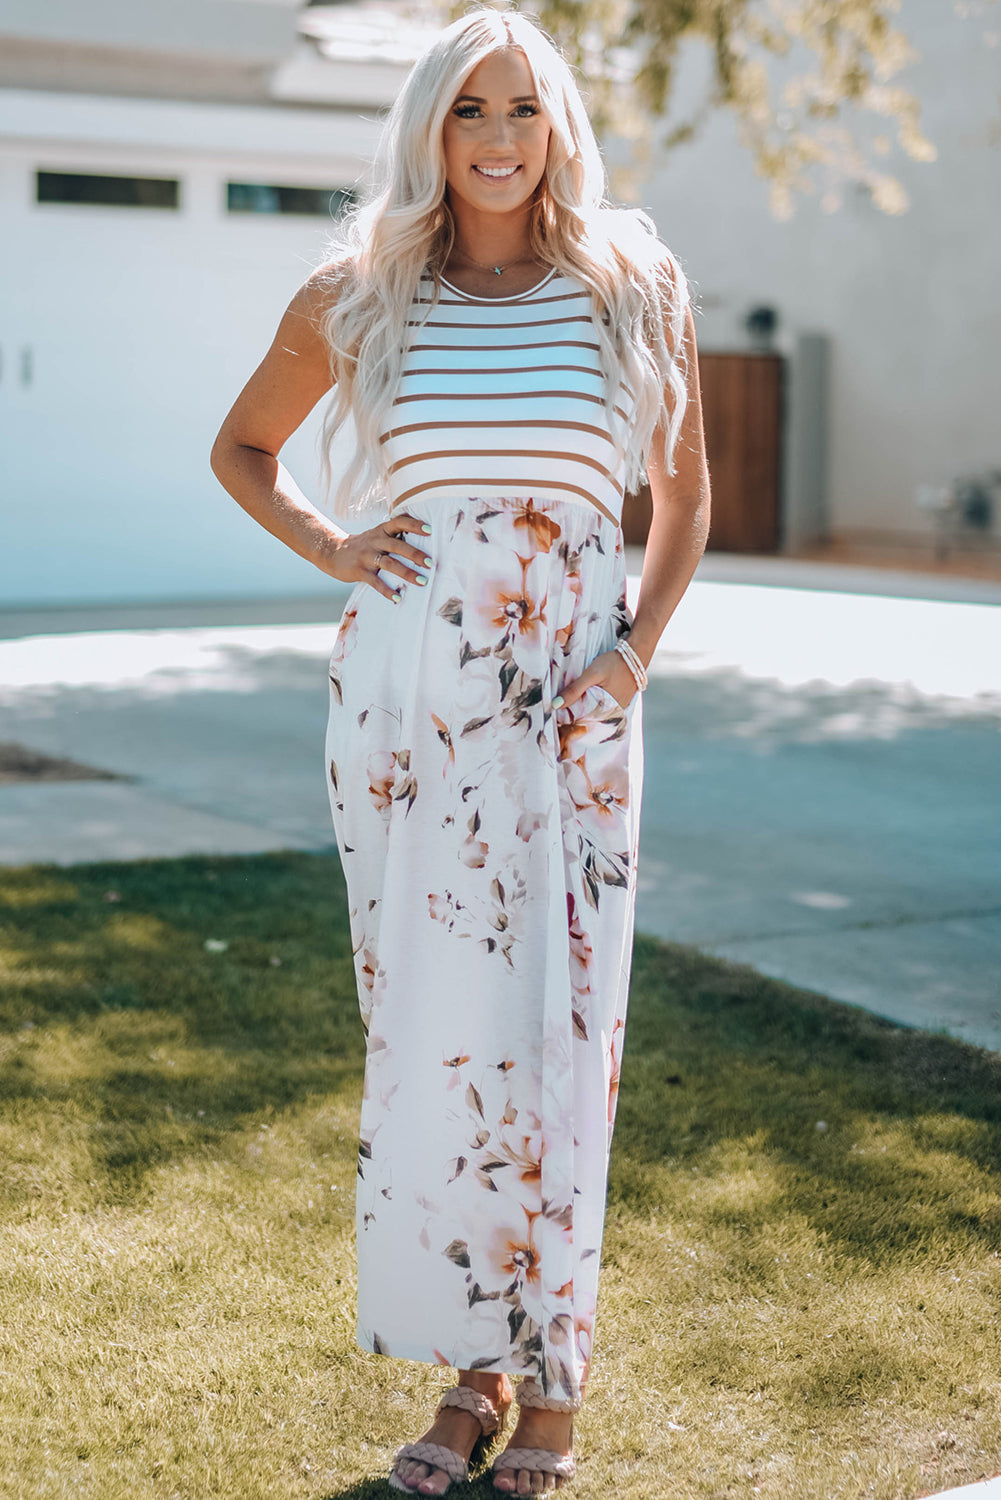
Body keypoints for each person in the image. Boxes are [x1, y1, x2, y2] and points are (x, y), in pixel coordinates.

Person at [210, 6, 710, 1493]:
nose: (497, 139)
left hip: (570, 708)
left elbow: (678, 502)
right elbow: (243, 447)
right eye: (466, 112)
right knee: (434, 1042)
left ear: (558, 125)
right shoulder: (360, 284)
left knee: (560, 1043)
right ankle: (466, 1380)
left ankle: (551, 1388)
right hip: (401, 718)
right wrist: (331, 541)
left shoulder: (630, 277)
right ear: (428, 130)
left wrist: (632, 656)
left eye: (523, 110)